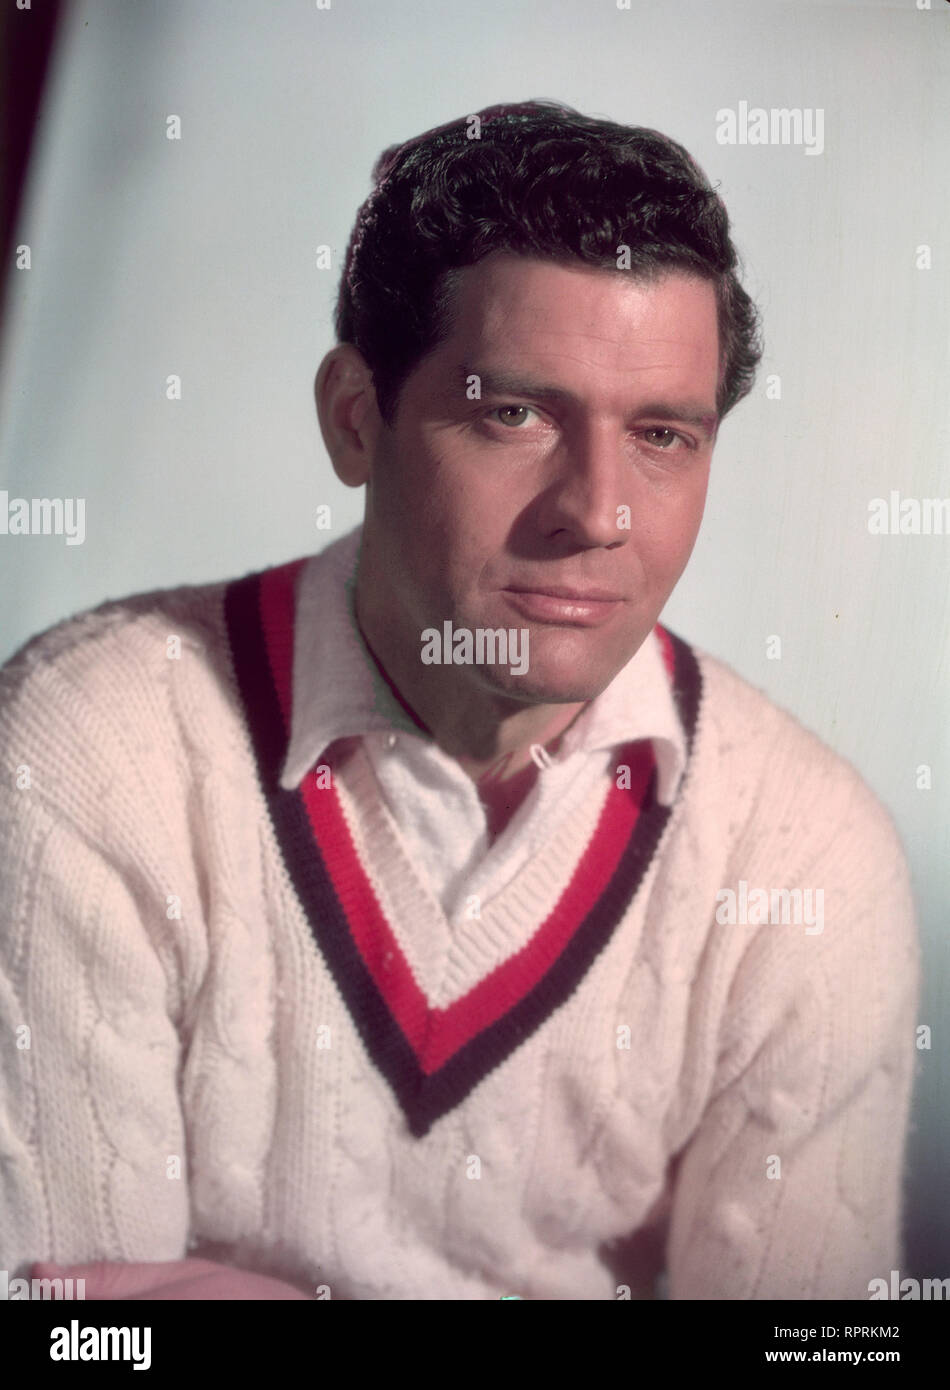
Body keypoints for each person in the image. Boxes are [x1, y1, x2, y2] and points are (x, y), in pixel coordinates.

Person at [0, 100, 919, 1301]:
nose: (595, 510)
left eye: (660, 434)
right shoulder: (89, 752)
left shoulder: (807, 859)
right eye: (513, 412)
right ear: (352, 418)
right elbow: (65, 1334)